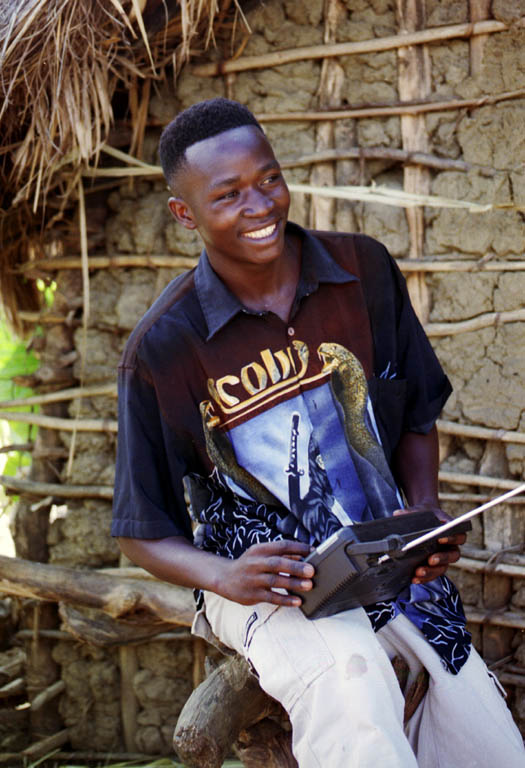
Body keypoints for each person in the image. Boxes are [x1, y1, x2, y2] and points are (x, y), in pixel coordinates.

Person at [111, 98, 525, 767]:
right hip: (261, 583)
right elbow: (140, 528)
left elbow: (414, 408)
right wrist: (224, 575)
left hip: (376, 560)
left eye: (268, 180)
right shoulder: (165, 346)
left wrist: (417, 511)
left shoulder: (361, 272)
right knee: (349, 680)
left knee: (482, 735)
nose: (259, 206)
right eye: (228, 195)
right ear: (183, 214)